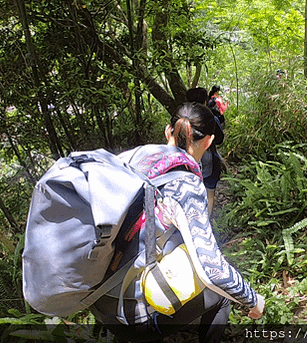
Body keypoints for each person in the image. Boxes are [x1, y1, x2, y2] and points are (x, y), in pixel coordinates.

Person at [90, 102, 265, 343]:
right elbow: (213, 270)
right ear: (209, 141)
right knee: (223, 294)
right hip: (131, 319)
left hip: (97, 300)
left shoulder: (134, 158)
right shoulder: (186, 187)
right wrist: (254, 301)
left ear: (167, 131)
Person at [187, 87, 225, 217]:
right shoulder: (211, 118)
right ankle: (206, 222)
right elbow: (220, 139)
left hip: (185, 160)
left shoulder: (181, 119)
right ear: (205, 101)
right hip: (209, 158)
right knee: (209, 193)